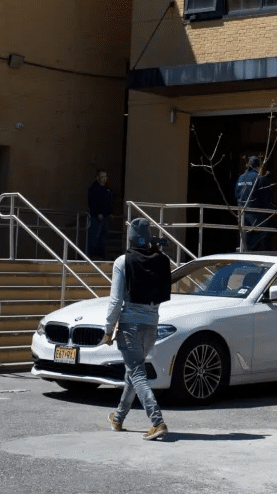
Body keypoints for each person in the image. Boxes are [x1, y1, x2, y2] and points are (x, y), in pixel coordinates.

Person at [102, 217, 171, 440]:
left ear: (130, 239)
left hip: (130, 325)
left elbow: (115, 300)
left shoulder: (122, 262)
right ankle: (118, 418)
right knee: (133, 372)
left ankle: (157, 421)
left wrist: (108, 329)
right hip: (152, 326)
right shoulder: (162, 260)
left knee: (137, 374)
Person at [234, 156, 273, 251]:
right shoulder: (259, 178)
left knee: (246, 232)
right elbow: (266, 198)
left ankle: (244, 248)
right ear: (258, 166)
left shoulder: (241, 177)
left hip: (241, 211)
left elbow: (236, 194)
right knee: (265, 231)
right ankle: (249, 247)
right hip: (255, 212)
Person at [87, 169, 113, 259]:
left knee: (103, 237)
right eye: (102, 176)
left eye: (105, 176)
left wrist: (110, 213)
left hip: (105, 217)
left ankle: (101, 255)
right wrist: (98, 213)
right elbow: (92, 202)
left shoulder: (107, 189)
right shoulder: (94, 188)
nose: (104, 179)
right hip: (96, 217)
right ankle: (93, 255)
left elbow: (109, 202)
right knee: (95, 235)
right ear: (98, 177)